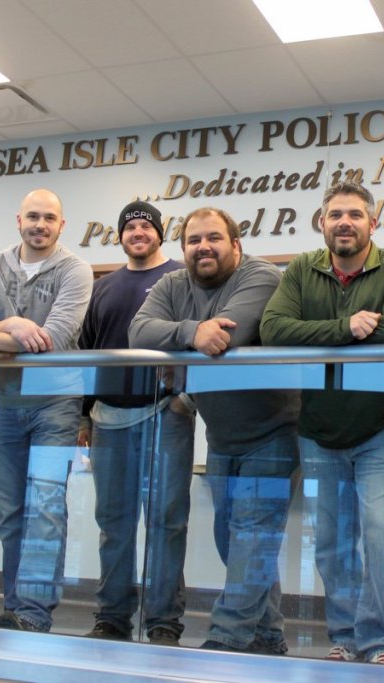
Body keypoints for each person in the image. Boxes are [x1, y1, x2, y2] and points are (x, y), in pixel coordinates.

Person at [260, 181, 384, 666]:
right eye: (335, 215)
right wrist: (347, 327)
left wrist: (318, 338)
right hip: (318, 431)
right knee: (331, 542)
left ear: (373, 223)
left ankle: (383, 643)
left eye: (355, 214)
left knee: (380, 534)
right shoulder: (301, 270)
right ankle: (346, 636)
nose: (344, 222)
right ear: (322, 222)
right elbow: (273, 330)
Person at [129, 207, 299, 655]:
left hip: (274, 431)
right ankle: (268, 634)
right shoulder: (171, 284)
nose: (203, 247)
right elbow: (138, 332)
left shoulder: (261, 276)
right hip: (221, 435)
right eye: (193, 240)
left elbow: (231, 336)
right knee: (233, 539)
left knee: (252, 535)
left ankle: (228, 637)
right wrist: (191, 332)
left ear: (236, 245)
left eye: (214, 238)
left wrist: (184, 348)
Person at [0, 188, 92, 632]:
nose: (40, 224)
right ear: (18, 220)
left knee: (45, 509)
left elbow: (56, 339)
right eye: (33, 216)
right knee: (11, 514)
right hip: (8, 406)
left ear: (61, 225)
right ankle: (14, 606)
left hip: (58, 405)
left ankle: (34, 612)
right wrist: (14, 325)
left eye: (50, 217)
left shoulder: (76, 270)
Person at [78, 201, 195, 644]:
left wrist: (185, 396)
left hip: (166, 413)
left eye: (147, 226)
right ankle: (112, 617)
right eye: (131, 227)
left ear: (160, 234)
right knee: (114, 521)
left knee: (167, 521)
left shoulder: (180, 280)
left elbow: (197, 340)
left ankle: (164, 622)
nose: (138, 232)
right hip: (107, 420)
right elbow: (88, 353)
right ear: (121, 236)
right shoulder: (103, 287)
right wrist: (81, 416)